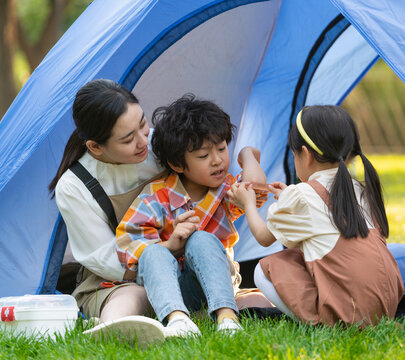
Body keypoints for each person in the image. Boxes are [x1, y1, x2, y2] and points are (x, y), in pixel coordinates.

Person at [227, 105, 405, 327]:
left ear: (306, 155)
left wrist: (248, 204)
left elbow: (264, 238)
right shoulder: (359, 188)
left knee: (264, 269)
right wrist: (288, 197)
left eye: (294, 155)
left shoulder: (301, 196)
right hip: (386, 305)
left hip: (350, 312)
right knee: (303, 254)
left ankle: (321, 323)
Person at [115, 94, 268, 337]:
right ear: (177, 164)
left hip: (214, 285)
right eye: (203, 156)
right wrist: (172, 244)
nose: (217, 160)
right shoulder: (156, 197)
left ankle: (227, 318)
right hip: (167, 287)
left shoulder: (226, 191)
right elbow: (128, 247)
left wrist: (247, 153)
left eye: (221, 148)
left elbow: (256, 188)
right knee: (153, 251)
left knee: (202, 239)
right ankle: (178, 320)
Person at [49, 79, 167, 346]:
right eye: (128, 139)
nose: (142, 142)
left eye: (143, 124)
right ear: (95, 147)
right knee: (135, 296)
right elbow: (103, 257)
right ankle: (112, 327)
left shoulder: (162, 144)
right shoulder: (74, 185)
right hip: (122, 276)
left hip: (184, 254)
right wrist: (161, 261)